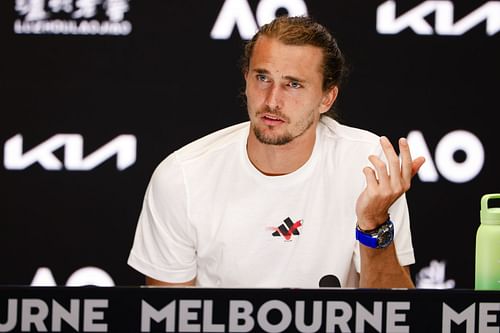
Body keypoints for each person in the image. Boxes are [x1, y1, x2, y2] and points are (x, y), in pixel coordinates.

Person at [127, 15, 425, 288]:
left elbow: (394, 315)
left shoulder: (368, 167)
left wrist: (374, 224)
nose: (272, 100)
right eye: (262, 77)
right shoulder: (182, 177)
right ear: (246, 78)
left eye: (293, 84)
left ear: (326, 98)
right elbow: (169, 317)